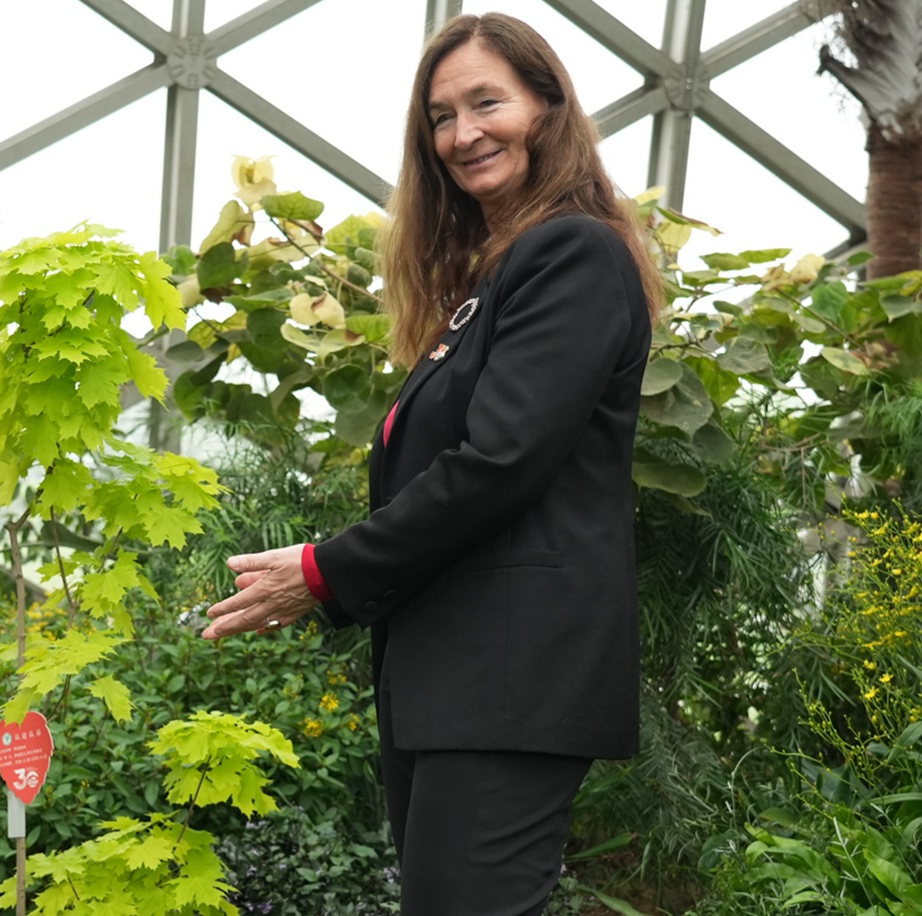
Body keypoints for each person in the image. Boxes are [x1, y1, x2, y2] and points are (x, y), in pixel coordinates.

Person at [200, 14, 661, 914]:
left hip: (508, 681)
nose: (462, 134)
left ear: (549, 107)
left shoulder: (570, 252)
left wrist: (323, 572)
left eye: (488, 102)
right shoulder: (491, 281)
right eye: (441, 118)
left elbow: (498, 463)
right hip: (460, 682)